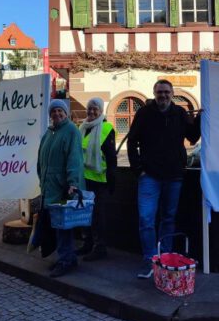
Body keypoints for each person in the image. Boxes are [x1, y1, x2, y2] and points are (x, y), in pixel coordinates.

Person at [127, 80, 201, 279]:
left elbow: (193, 137)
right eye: (160, 92)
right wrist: (138, 169)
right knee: (146, 219)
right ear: (154, 92)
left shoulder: (179, 113)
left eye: (167, 92)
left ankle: (165, 259)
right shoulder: (144, 113)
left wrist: (201, 118)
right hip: (149, 176)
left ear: (172, 94)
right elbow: (132, 140)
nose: (163, 95)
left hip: (174, 175)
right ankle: (150, 259)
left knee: (168, 218)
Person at [37, 99, 84, 278]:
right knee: (56, 225)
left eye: (60, 111)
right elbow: (40, 159)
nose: (57, 114)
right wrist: (41, 179)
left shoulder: (71, 130)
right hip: (49, 187)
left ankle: (66, 261)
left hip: (64, 187)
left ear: (65, 113)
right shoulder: (49, 133)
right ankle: (67, 257)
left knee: (63, 226)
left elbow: (75, 159)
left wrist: (73, 182)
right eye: (54, 111)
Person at [75, 97, 117, 261]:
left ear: (101, 111)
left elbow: (111, 158)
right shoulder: (83, 127)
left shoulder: (106, 128)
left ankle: (100, 248)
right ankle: (87, 244)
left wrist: (112, 181)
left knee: (98, 216)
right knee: (85, 214)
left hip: (100, 181)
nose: (92, 112)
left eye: (95, 109)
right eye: (89, 109)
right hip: (83, 179)